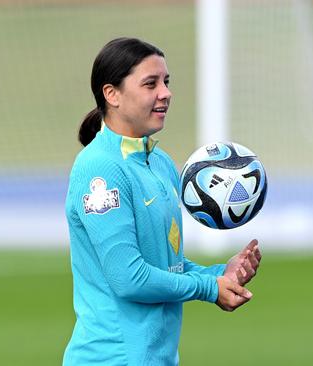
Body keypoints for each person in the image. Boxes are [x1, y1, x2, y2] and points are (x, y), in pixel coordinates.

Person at [63, 37, 262, 365]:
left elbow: (166, 265)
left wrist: (220, 274)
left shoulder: (161, 163)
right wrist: (209, 288)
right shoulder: (99, 168)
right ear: (111, 94)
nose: (165, 93)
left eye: (166, 82)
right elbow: (129, 278)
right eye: (150, 83)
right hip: (111, 358)